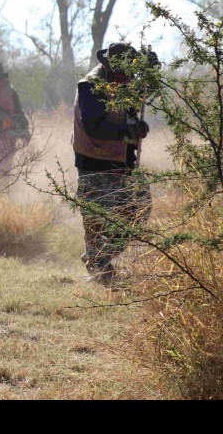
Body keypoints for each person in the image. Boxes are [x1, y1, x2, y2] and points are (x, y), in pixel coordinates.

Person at [72, 41, 156, 285]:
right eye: (126, 70)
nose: (129, 76)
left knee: (138, 210)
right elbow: (93, 126)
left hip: (122, 160)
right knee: (98, 221)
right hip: (95, 162)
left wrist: (151, 73)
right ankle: (100, 266)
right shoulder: (91, 85)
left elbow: (137, 99)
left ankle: (99, 258)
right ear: (110, 66)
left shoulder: (121, 81)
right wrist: (128, 131)